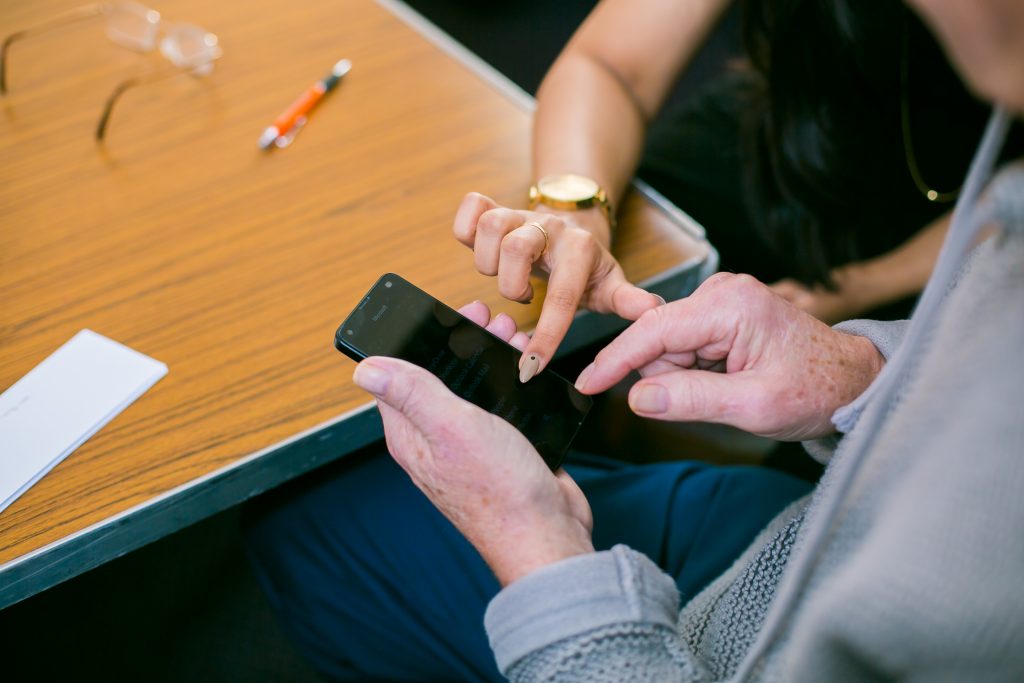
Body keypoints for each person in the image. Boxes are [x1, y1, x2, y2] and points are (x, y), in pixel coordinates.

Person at [244, 0, 1024, 679]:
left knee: (302, 521)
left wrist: (534, 544)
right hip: (803, 528)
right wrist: (864, 376)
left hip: (732, 614)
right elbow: (611, 61)